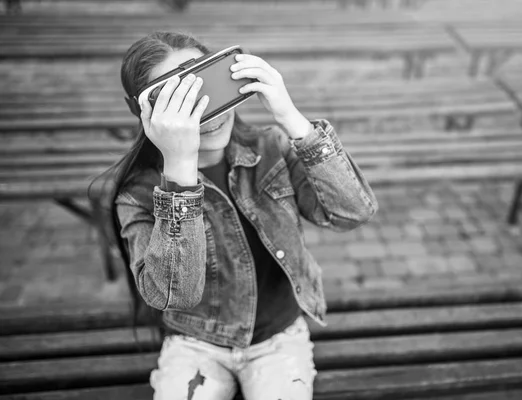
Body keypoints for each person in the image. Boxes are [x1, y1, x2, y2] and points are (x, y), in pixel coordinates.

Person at [100, 31, 377, 400]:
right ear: (145, 113)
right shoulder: (138, 193)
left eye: (207, 87)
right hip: (195, 343)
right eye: (179, 102)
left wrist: (291, 118)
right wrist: (180, 167)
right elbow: (174, 294)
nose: (207, 114)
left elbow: (352, 213)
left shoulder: (271, 148)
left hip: (279, 339)